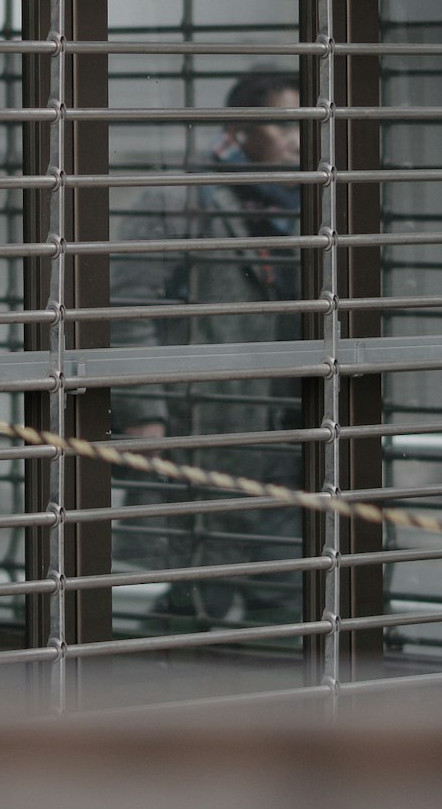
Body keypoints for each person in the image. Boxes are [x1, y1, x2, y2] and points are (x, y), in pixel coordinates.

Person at [116, 71, 315, 632]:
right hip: (210, 423)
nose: (298, 139)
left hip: (289, 426)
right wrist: (146, 414)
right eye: (282, 123)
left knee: (258, 578)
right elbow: (126, 307)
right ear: (239, 128)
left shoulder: (313, 201)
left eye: (305, 124)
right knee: (218, 578)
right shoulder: (181, 199)